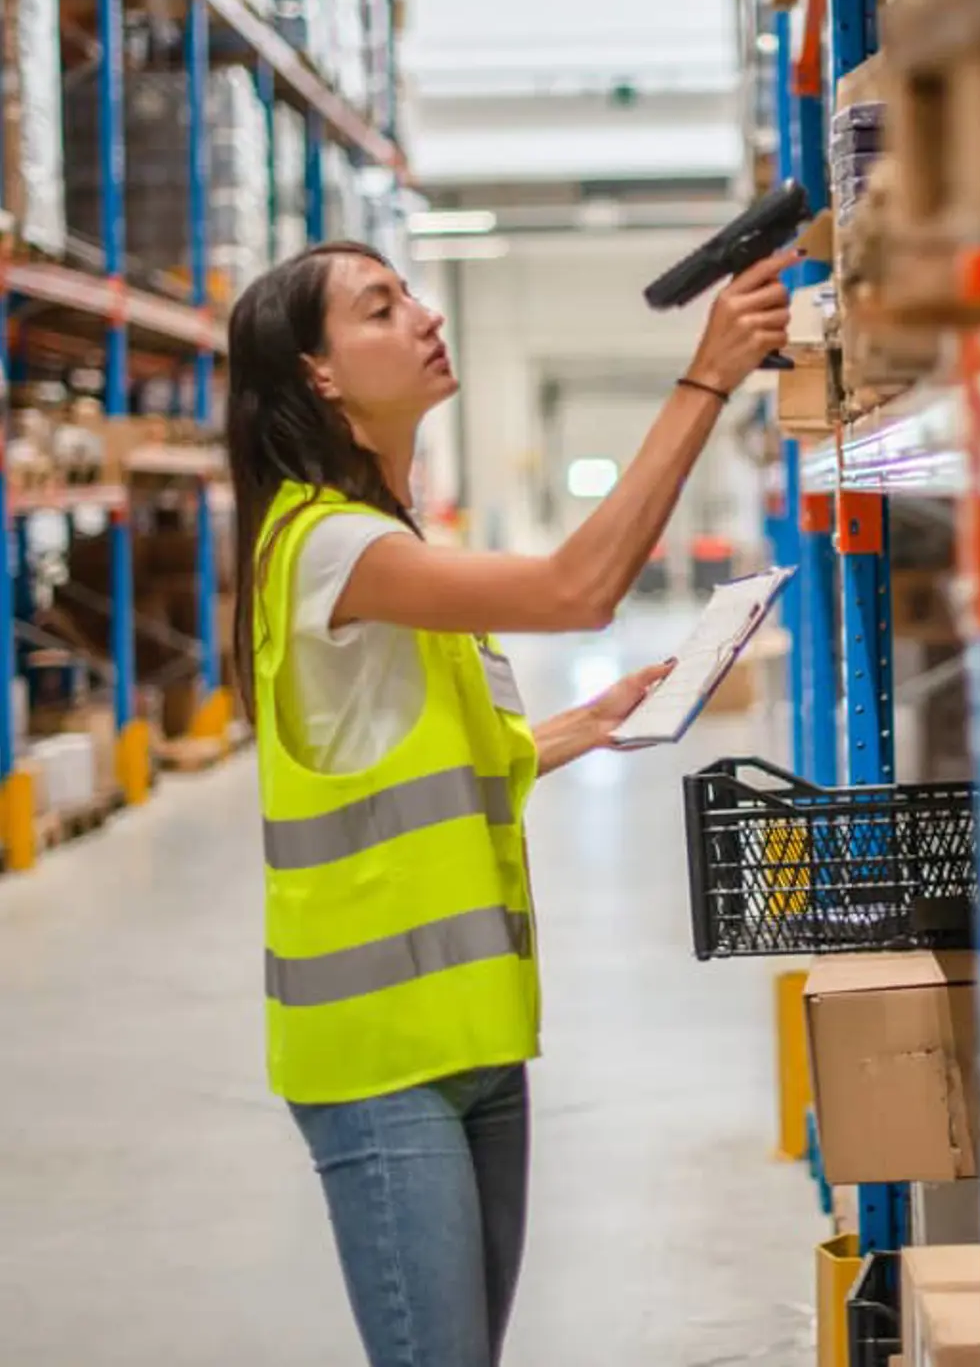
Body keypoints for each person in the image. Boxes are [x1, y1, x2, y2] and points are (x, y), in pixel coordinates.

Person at [224, 238, 793, 1367]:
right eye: (380, 308)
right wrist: (707, 379)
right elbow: (575, 590)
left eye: (410, 293)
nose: (424, 316)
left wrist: (592, 722)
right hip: (382, 1058)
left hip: (474, 1033)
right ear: (319, 374)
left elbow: (423, 768)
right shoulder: (328, 543)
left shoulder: (380, 536)